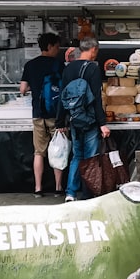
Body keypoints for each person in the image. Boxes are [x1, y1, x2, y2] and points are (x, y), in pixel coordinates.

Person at [55, 37, 110, 202]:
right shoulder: (93, 68)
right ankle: (88, 193)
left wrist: (60, 122)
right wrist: (103, 124)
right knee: (90, 157)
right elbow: (97, 99)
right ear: (93, 49)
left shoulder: (68, 68)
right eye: (96, 51)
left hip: (74, 119)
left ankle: (70, 193)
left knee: (77, 156)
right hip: (91, 120)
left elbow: (62, 97)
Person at [19, 32, 64, 197]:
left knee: (39, 152)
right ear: (50, 46)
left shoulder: (30, 65)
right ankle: (58, 188)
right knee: (58, 151)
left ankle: (38, 188)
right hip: (55, 115)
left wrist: (35, 88)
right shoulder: (59, 65)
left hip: (38, 114)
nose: (58, 50)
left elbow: (23, 89)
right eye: (57, 47)